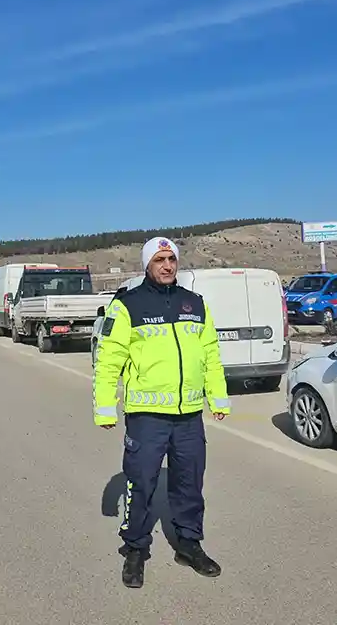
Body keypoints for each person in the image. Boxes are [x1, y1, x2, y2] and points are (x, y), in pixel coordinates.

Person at [93, 236, 230, 589]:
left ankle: (189, 544)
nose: (167, 265)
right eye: (160, 260)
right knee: (141, 484)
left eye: (172, 259)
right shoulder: (127, 306)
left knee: (189, 483)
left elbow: (211, 355)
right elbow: (109, 361)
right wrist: (105, 407)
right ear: (147, 265)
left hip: (188, 417)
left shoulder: (195, 304)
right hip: (146, 417)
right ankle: (135, 549)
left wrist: (219, 398)